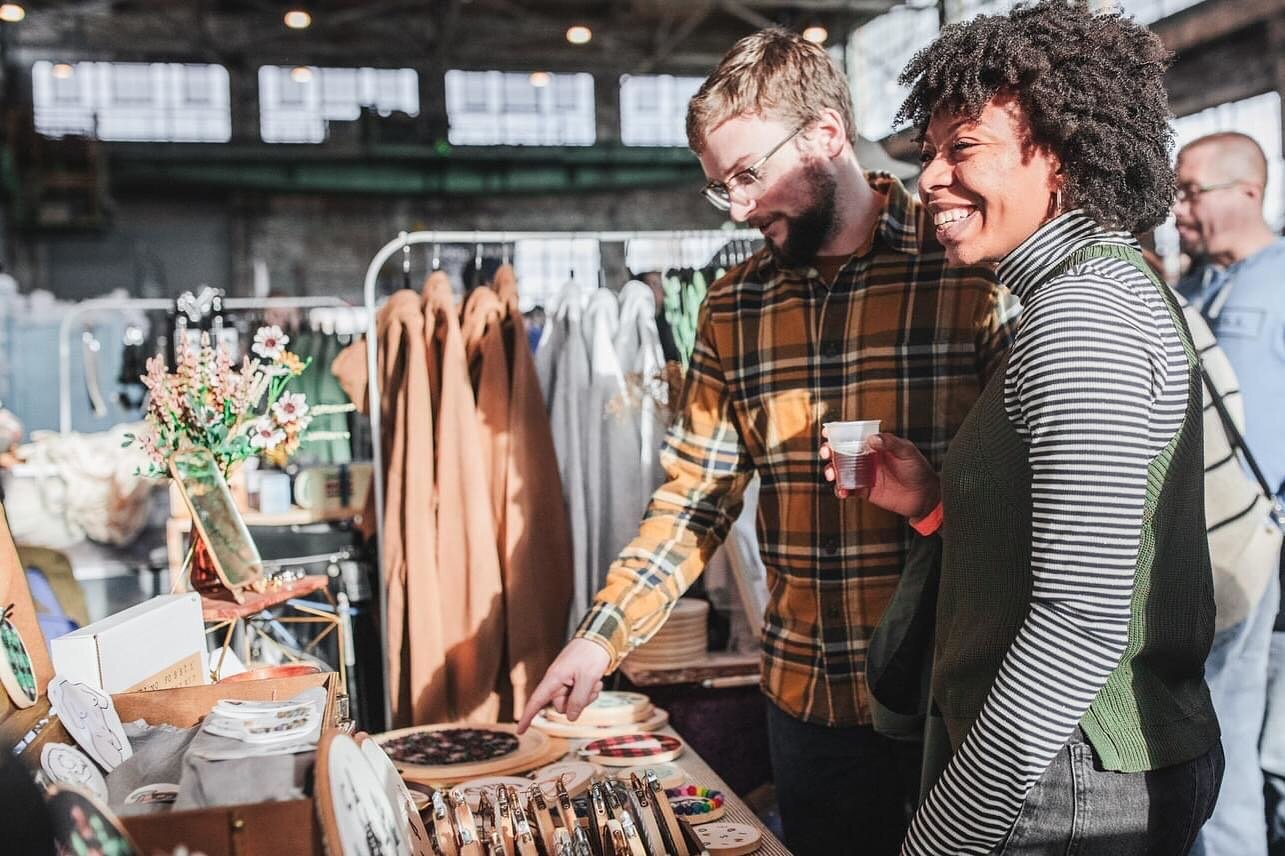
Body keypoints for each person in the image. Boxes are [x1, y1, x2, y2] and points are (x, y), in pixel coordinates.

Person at [516, 27, 1016, 854]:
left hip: (947, 702)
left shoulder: (963, 269)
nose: (740, 207)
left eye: (749, 175)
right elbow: (694, 500)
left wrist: (934, 494)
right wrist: (597, 637)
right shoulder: (734, 306)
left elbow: (1035, 494)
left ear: (825, 135)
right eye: (721, 187)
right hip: (804, 707)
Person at [822, 2, 1224, 853]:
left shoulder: (1081, 316)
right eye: (929, 151)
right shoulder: (1071, 295)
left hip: (1066, 785)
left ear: (1065, 159)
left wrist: (950, 827)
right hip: (1070, 774)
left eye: (961, 147)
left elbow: (1079, 624)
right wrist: (935, 499)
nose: (928, 177)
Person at [1173, 132, 1285, 854]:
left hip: (1254, 558)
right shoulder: (1192, 287)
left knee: (1240, 755)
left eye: (1190, 192)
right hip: (1201, 556)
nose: (1178, 208)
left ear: (1246, 191)